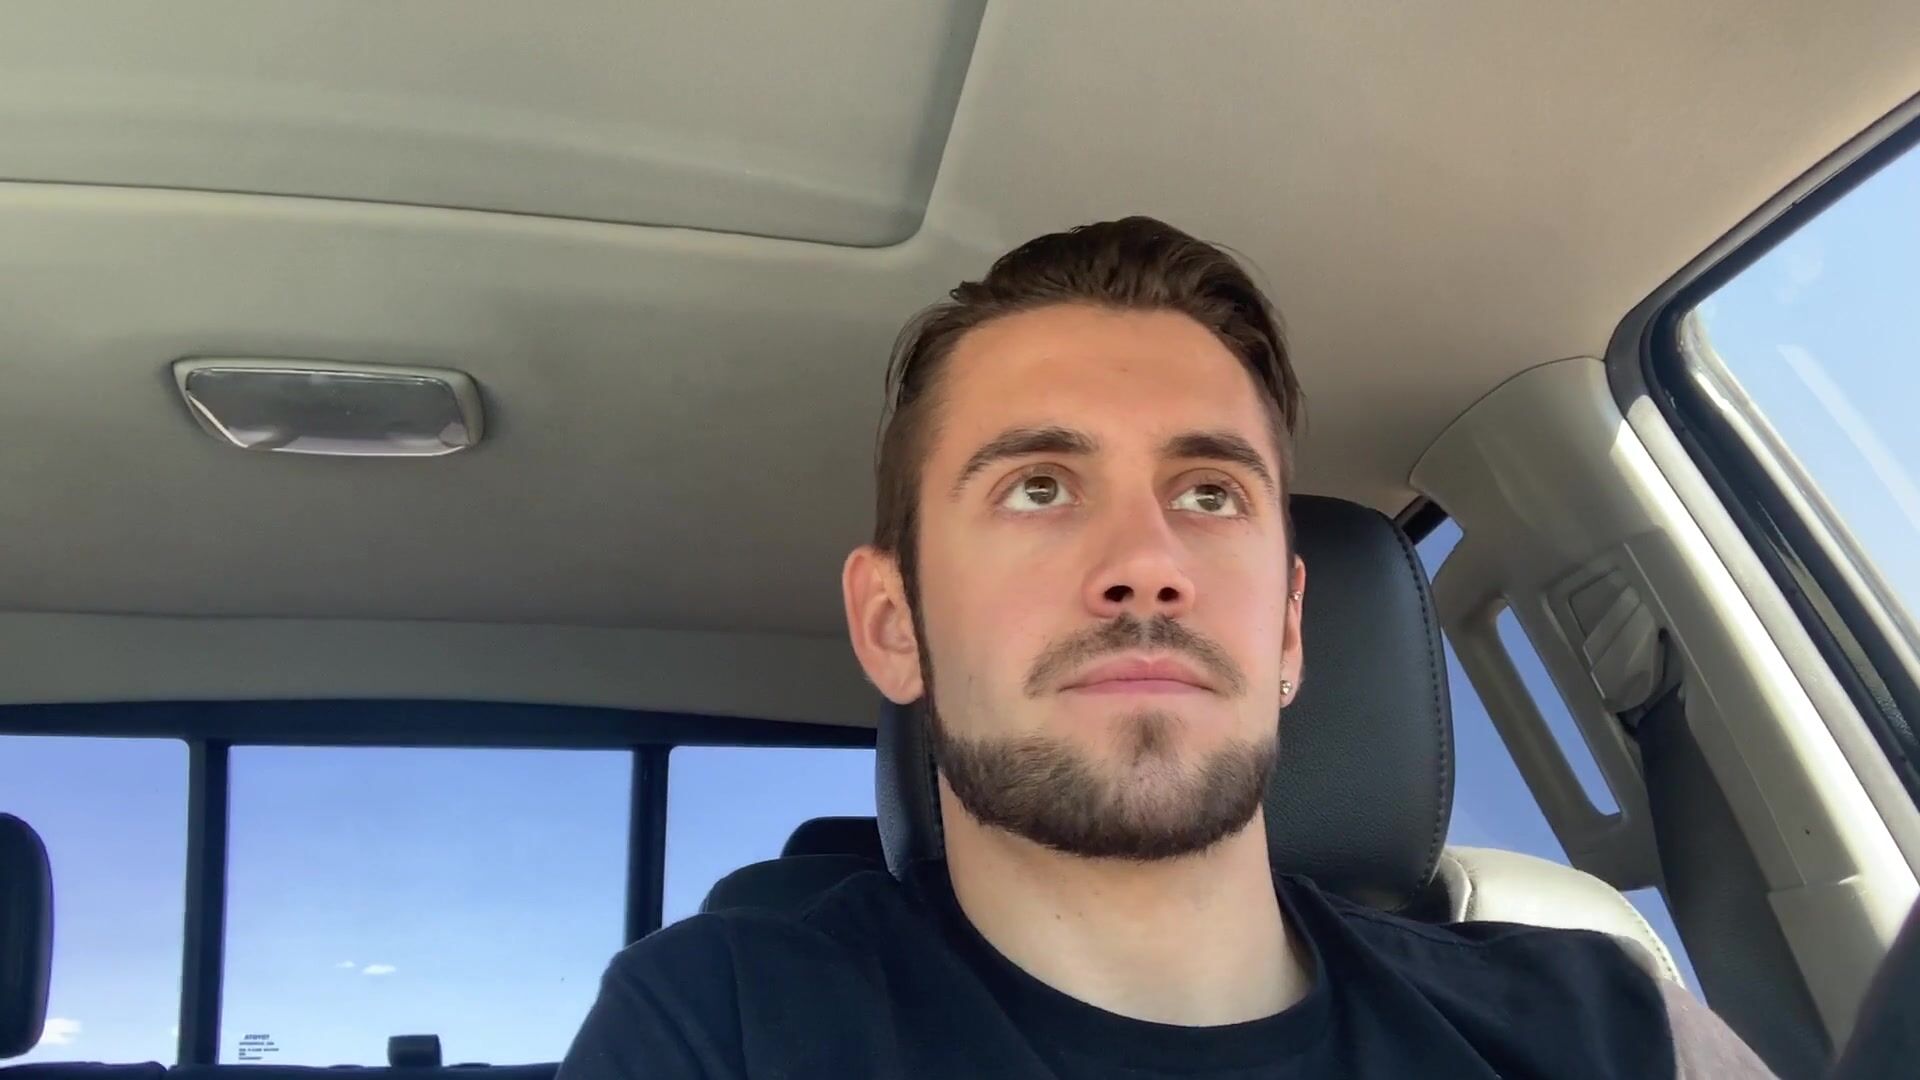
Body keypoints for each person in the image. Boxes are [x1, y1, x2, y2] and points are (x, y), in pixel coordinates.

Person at [557, 217, 1774, 1078]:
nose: (1147, 563)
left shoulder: (1610, 1031)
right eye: (1038, 488)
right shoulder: (720, 1030)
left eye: (1208, 494)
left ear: (1288, 629)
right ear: (894, 624)